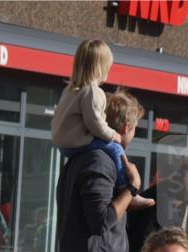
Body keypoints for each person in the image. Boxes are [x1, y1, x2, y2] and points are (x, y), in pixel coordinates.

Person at [56, 89, 146, 252]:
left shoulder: (82, 158)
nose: (134, 135)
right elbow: (101, 220)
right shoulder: (99, 161)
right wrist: (132, 188)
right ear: (126, 127)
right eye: (135, 129)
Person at [51, 39, 152, 210]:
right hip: (76, 142)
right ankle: (126, 191)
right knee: (115, 149)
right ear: (101, 68)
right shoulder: (93, 92)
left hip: (64, 144)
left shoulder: (70, 90)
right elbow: (95, 123)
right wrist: (113, 135)